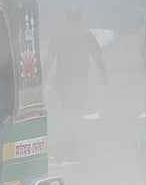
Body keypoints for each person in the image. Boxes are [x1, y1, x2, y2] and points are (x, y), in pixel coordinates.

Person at [44, 8, 109, 160]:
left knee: (67, 112)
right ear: (80, 19)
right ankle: (68, 148)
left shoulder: (57, 36)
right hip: (79, 82)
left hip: (61, 82)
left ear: (66, 19)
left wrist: (42, 78)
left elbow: (49, 60)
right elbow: (98, 57)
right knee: (72, 114)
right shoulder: (87, 36)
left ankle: (65, 145)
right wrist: (104, 74)